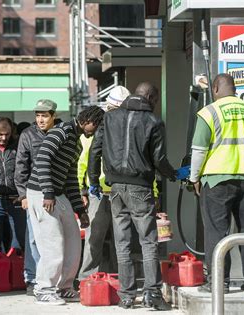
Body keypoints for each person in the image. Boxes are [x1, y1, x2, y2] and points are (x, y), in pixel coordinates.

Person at [102, 82, 177, 309]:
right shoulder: (153, 121)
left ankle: (126, 295)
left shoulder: (110, 118)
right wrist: (171, 174)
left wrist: (100, 177)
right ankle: (152, 294)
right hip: (140, 188)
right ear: (152, 99)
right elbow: (159, 159)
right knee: (148, 241)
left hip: (115, 188)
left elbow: (98, 149)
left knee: (122, 242)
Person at [190, 73, 244, 293]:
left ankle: (219, 283)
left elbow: (199, 151)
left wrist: (194, 178)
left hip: (216, 181)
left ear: (215, 89)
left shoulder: (209, 112)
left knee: (217, 232)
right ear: (234, 89)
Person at [27, 105, 104, 305]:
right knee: (52, 244)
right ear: (89, 121)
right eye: (96, 126)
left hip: (60, 194)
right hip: (42, 193)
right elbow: (42, 159)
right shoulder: (60, 132)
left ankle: (64, 287)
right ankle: (44, 288)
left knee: (72, 242)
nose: (96, 131)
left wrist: (80, 209)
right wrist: (48, 193)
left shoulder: (76, 143)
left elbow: (70, 178)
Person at [77, 86, 130, 281]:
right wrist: (82, 189)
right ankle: (86, 279)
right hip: (98, 193)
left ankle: (121, 279)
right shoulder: (96, 131)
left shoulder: (128, 128)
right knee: (94, 238)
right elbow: (83, 162)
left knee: (121, 238)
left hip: (118, 190)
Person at [14, 99, 57, 296]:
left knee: (56, 238)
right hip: (33, 193)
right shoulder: (28, 135)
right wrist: (23, 195)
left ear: (53, 116)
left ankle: (53, 277)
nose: (40, 119)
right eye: (38, 115)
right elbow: (21, 167)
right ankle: (32, 278)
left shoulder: (60, 132)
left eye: (44, 115)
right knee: (33, 238)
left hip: (57, 193)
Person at [0, 117, 25, 253]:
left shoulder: (19, 146)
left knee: (19, 241)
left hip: (16, 200)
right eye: (0, 134)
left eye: (7, 134)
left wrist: (23, 194)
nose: (3, 138)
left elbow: (26, 170)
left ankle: (17, 272)